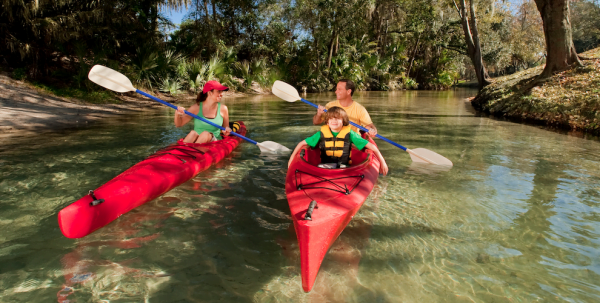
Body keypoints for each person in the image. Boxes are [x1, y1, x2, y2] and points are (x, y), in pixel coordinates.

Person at [290, 106, 388, 175]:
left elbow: (372, 147)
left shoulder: (350, 134)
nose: (334, 121)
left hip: (343, 167)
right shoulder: (321, 133)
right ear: (327, 122)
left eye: (337, 119)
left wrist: (382, 162)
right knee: (320, 168)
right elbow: (301, 144)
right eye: (331, 119)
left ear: (343, 121)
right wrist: (290, 162)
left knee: (343, 170)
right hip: (325, 166)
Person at [313, 79, 377, 137]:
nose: (336, 92)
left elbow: (369, 126)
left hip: (351, 141)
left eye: (339, 89)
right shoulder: (330, 106)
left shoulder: (360, 109)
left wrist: (372, 130)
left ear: (348, 91)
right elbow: (315, 122)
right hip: (332, 140)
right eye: (336, 89)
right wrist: (319, 114)